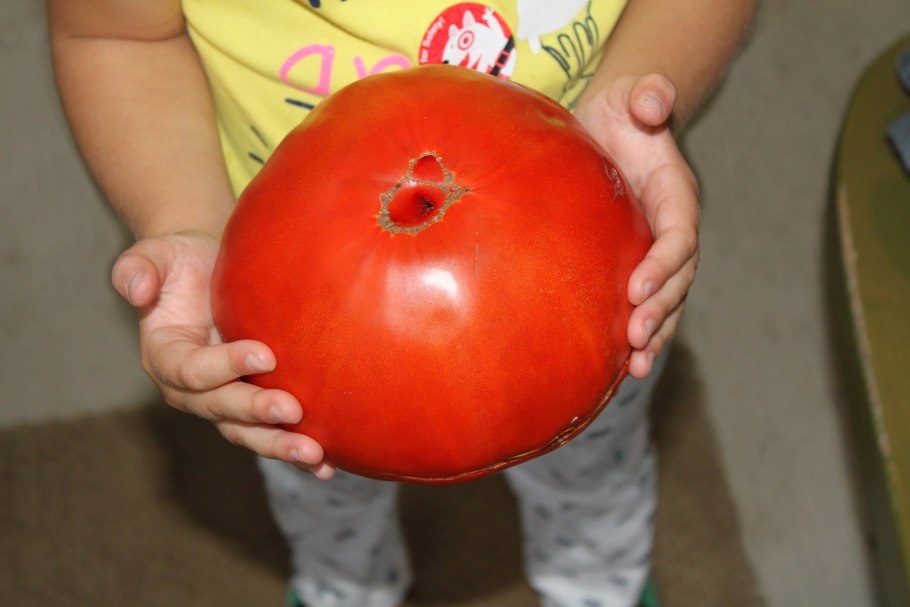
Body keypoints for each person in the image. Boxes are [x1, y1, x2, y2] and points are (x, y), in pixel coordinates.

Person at [48, 2, 757, 606]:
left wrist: (637, 98)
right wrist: (187, 218)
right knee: (317, 484)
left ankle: (597, 582)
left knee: (594, 471)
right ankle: (346, 586)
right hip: (287, 306)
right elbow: (113, 32)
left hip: (590, 261)